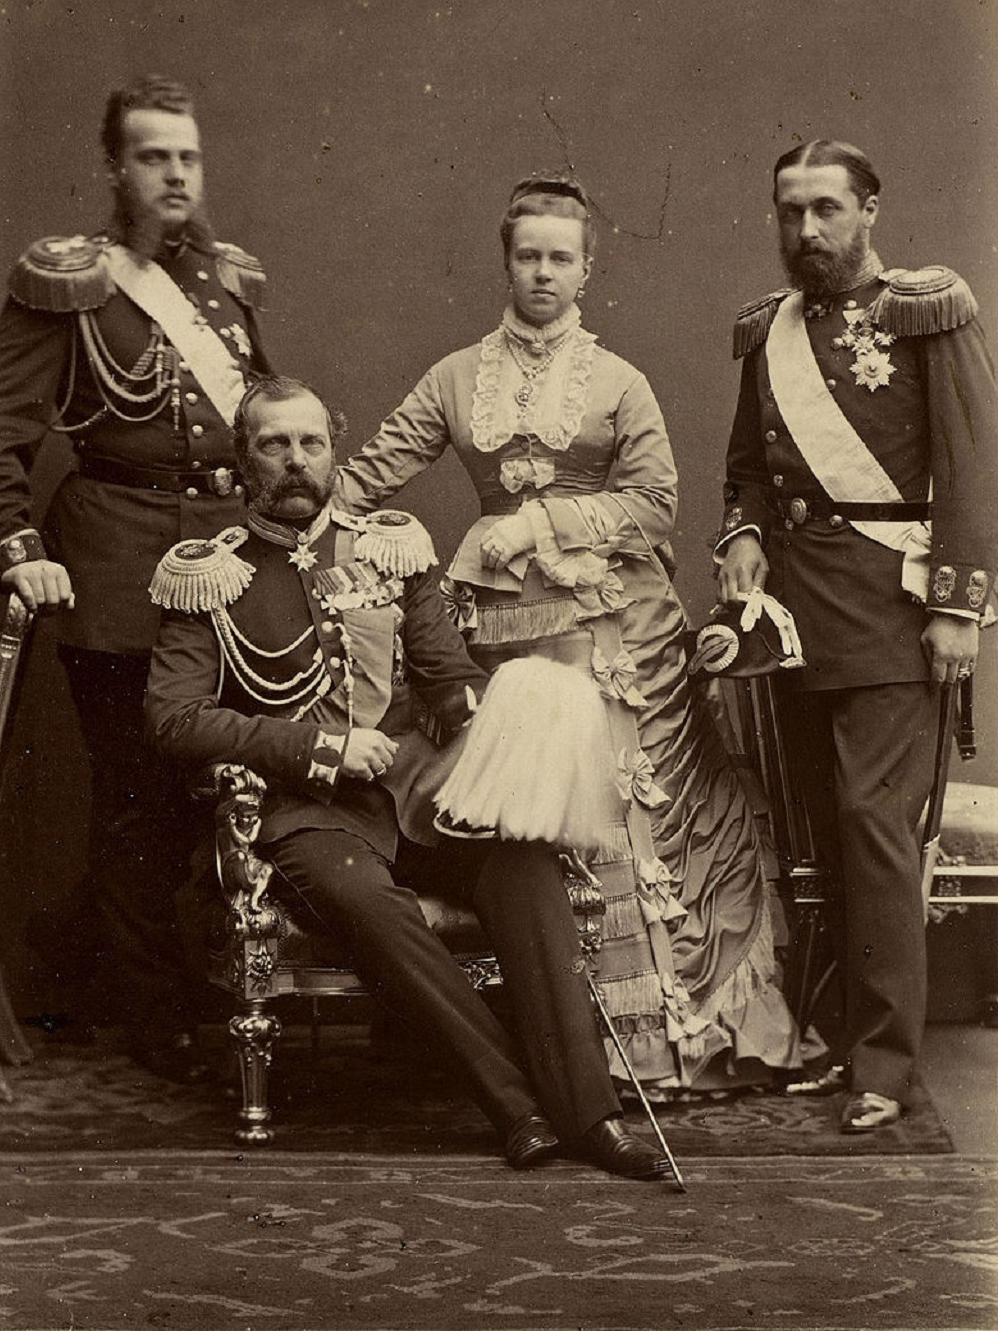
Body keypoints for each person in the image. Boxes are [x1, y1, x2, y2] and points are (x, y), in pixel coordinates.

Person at [335, 175, 805, 1097]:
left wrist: (543, 523)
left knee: (617, 807)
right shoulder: (455, 377)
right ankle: (544, 1035)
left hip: (612, 623)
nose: (543, 273)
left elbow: (656, 504)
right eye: (528, 256)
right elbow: (367, 473)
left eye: (561, 258)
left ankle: (645, 1048)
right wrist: (317, 535)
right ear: (506, 263)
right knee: (514, 819)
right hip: (495, 629)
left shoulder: (619, 381)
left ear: (588, 269)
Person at [144, 373, 673, 1180]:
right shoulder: (208, 573)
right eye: (275, 444)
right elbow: (176, 719)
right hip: (304, 810)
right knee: (367, 899)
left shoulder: (392, 547)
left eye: (312, 442)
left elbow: (445, 676)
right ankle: (517, 1108)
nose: (296, 459)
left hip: (421, 793)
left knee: (525, 865)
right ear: (245, 458)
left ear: (335, 450)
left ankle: (591, 1117)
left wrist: (504, 710)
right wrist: (319, 747)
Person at [0, 74, 273, 1079]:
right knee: (139, 789)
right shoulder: (69, 282)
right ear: (116, 168)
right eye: (154, 157)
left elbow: (261, 422)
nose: (176, 174)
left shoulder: (227, 283)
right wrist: (16, 544)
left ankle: (95, 961)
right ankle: (153, 1009)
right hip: (114, 567)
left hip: (227, 565)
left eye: (188, 156)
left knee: (207, 788)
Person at [715, 139, 997, 1131]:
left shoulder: (928, 310)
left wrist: (957, 608)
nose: (806, 231)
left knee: (874, 832)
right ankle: (836, 1040)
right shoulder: (769, 330)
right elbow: (747, 469)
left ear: (870, 209)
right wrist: (744, 537)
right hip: (795, 621)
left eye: (826, 209)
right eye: (790, 211)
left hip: (891, 613)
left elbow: (972, 467)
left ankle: (884, 1064)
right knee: (820, 836)